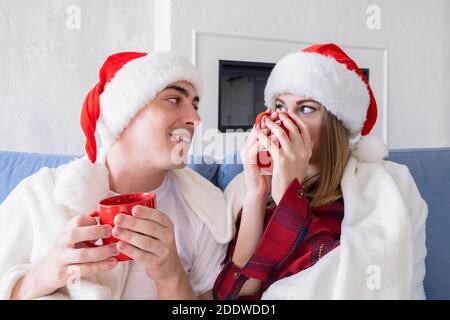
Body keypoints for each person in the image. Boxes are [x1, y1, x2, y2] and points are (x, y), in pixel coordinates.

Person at [0, 51, 233, 300]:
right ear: (126, 114)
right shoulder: (40, 194)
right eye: (174, 100)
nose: (195, 119)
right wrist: (47, 273)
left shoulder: (206, 208)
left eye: (195, 105)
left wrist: (170, 275)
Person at [213, 43, 428, 300]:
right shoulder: (249, 187)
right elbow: (231, 295)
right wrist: (257, 196)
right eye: (280, 106)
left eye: (306, 108)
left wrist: (289, 198)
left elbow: (351, 286)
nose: (285, 121)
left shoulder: (383, 189)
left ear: (336, 123)